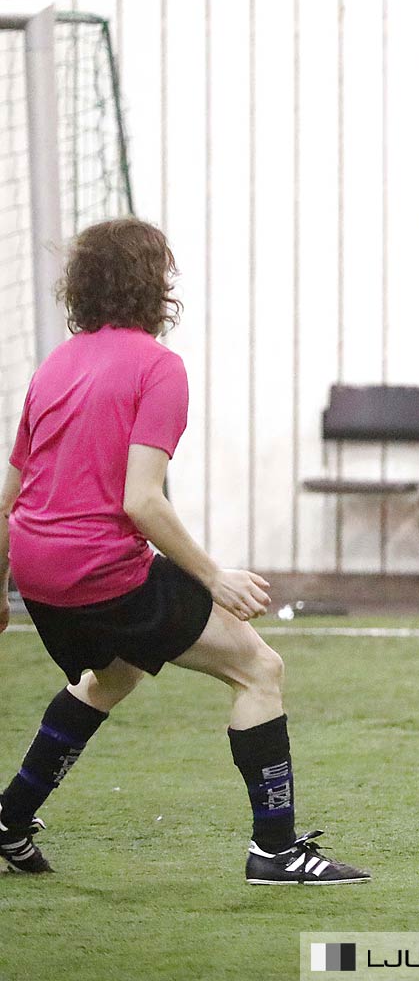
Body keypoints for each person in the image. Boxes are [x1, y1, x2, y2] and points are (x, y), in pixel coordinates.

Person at [0, 218, 369, 884]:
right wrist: (213, 577)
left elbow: (11, 496)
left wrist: (0, 590)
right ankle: (277, 852)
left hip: (35, 569)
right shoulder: (159, 367)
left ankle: (8, 818)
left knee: (111, 676)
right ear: (156, 286)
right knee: (259, 669)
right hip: (97, 568)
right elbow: (141, 501)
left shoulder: (54, 365)